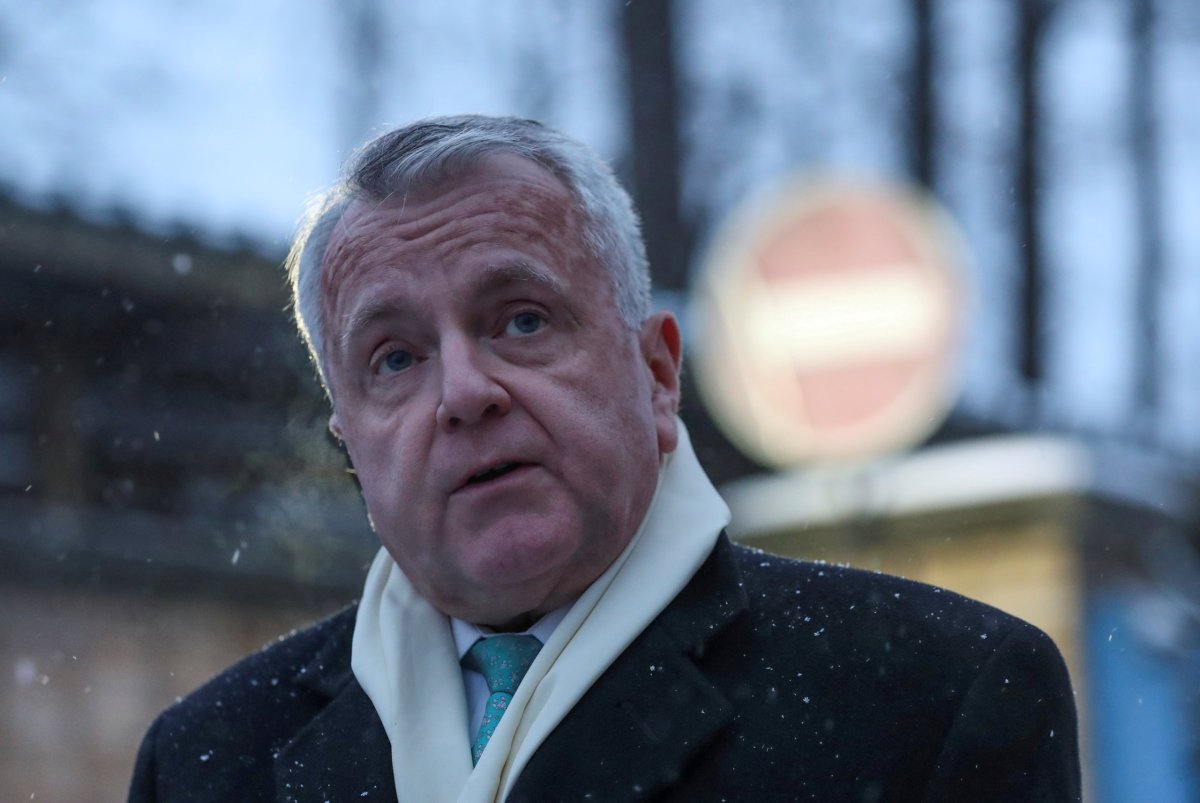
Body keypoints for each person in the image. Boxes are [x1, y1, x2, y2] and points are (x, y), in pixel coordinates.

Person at [128, 115, 1081, 802]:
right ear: (351, 442)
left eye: (522, 318)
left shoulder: (939, 696)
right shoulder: (208, 761)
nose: (463, 392)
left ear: (658, 372)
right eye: (396, 357)